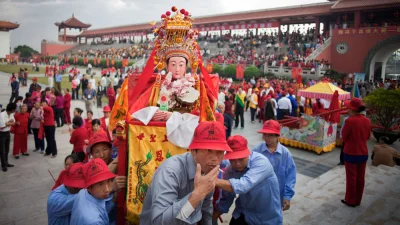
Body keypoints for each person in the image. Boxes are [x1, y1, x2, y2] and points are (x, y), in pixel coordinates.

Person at [140, 121, 232, 225]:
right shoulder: (170, 171)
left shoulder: (207, 171)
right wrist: (198, 194)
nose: (215, 159)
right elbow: (159, 221)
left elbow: (206, 210)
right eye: (208, 151)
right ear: (193, 151)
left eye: (220, 152)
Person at [214, 135, 282, 225]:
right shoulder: (229, 171)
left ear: (248, 153)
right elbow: (227, 198)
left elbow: (242, 186)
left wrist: (212, 181)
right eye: (233, 160)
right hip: (242, 213)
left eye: (241, 159)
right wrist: (211, 217)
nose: (237, 164)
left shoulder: (261, 162)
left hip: (265, 219)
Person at [253, 120, 296, 211]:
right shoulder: (257, 150)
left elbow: (290, 176)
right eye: (265, 134)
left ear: (277, 136)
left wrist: (287, 196)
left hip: (277, 195)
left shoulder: (285, 153)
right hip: (259, 195)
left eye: (271, 135)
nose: (267, 138)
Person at [69, 158, 119, 225]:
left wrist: (114, 199)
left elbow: (101, 211)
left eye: (109, 181)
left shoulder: (83, 193)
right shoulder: (94, 221)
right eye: (101, 184)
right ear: (89, 187)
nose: (107, 189)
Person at [341, 98, 371, 207]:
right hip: (363, 152)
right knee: (360, 177)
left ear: (352, 109)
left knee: (351, 178)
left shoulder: (350, 121)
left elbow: (344, 137)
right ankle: (358, 199)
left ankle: (350, 200)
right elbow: (367, 136)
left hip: (351, 152)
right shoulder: (367, 120)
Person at [0, 103, 16, 172]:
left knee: (7, 149)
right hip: (1, 134)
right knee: (2, 150)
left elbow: (14, 122)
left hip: (7, 132)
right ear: (13, 109)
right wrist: (9, 123)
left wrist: (7, 123)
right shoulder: (2, 115)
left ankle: (6, 162)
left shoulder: (11, 114)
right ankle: (3, 165)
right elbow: (2, 126)